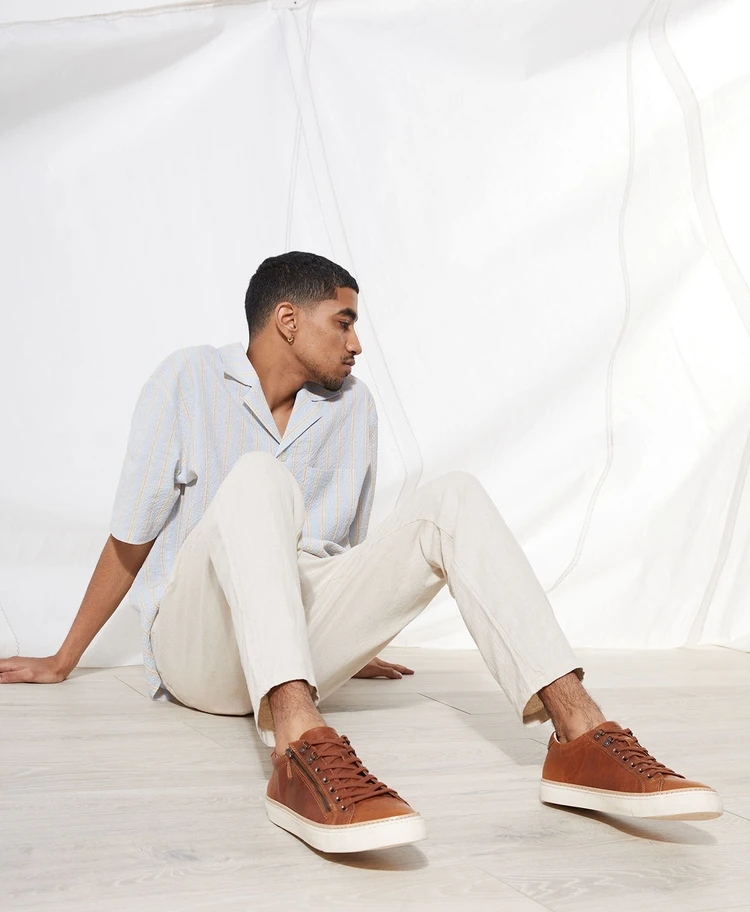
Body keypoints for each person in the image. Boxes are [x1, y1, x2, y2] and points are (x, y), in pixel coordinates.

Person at [0, 252, 722, 853]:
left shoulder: (354, 408)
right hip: (200, 647)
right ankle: (298, 748)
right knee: (258, 478)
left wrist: (355, 636)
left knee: (454, 496)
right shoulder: (187, 380)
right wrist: (64, 658)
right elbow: (131, 539)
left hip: (299, 640)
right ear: (288, 320)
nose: (356, 343)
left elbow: (344, 557)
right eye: (343, 321)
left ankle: (580, 736)